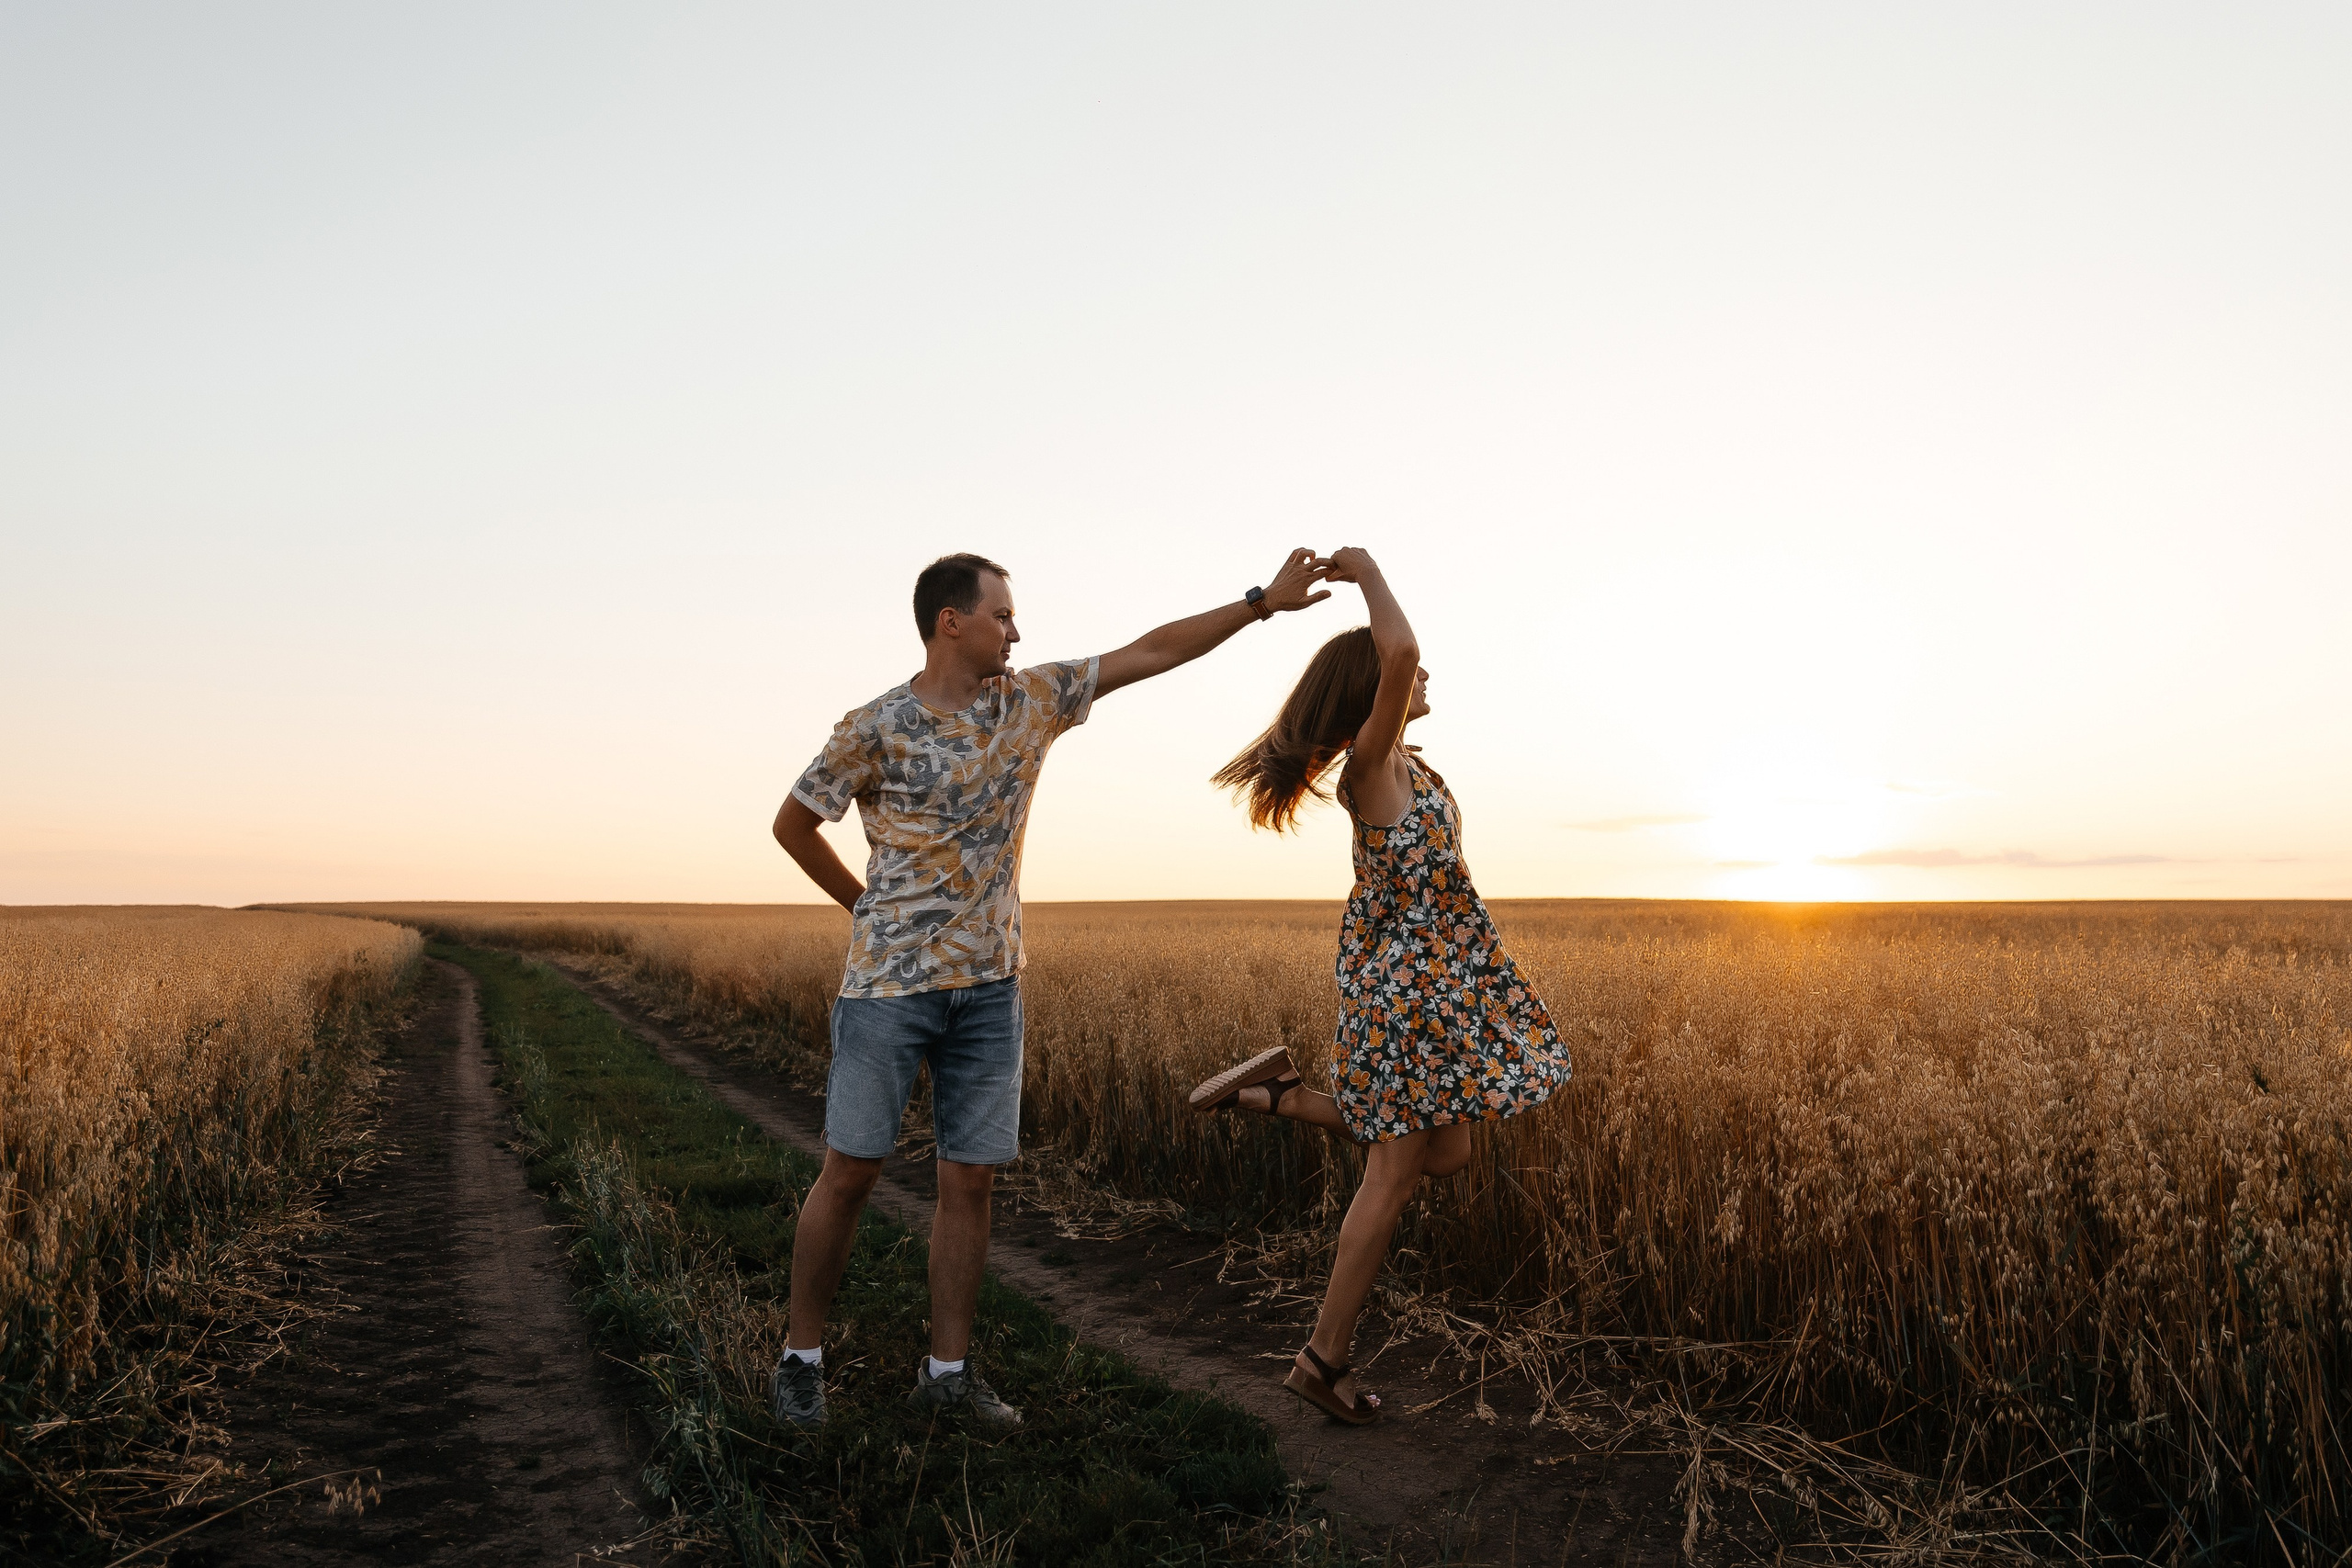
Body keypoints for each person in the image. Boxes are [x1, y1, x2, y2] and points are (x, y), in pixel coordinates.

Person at [769, 547, 1334, 1431]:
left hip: (991, 993)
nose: (1017, 629)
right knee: (850, 1172)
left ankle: (946, 1376)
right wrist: (862, 905)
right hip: (887, 991)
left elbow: (1152, 652)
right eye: (1002, 614)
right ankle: (800, 1364)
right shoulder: (874, 725)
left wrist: (1261, 603)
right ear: (950, 620)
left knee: (973, 1183)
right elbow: (794, 821)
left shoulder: (1031, 699)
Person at [1191, 546, 1571, 1425]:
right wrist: (1365, 572)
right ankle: (1322, 1361)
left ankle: (1275, 1096)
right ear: (1376, 690)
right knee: (1393, 1172)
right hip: (1405, 996)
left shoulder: (1409, 761)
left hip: (1443, 990)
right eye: (1405, 670)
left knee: (1448, 1151)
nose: (1423, 667)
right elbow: (1398, 653)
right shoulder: (1370, 769)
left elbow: (1401, 664)